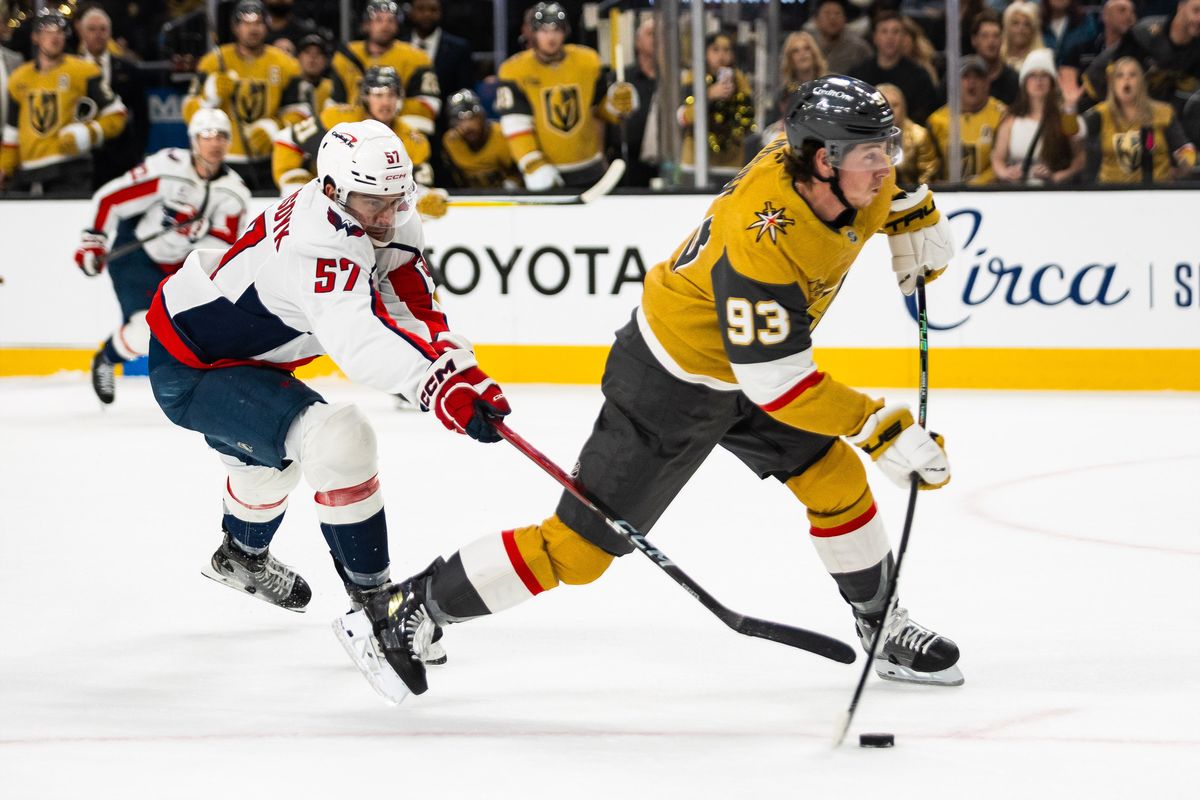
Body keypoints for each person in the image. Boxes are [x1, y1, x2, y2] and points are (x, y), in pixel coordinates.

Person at [389, 75, 964, 695]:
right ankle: (408, 609)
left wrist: (910, 214)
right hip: (669, 380)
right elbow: (779, 384)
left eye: (888, 149)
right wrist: (877, 427)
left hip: (752, 368)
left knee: (837, 479)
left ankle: (880, 627)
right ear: (823, 160)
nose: (885, 168)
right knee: (577, 554)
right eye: (871, 154)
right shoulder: (762, 242)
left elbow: (881, 201)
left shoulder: (845, 176)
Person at [145, 118, 511, 701]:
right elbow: (358, 338)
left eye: (397, 200)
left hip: (247, 358)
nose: (387, 218)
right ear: (334, 189)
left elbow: (412, 305)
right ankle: (376, 609)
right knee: (339, 439)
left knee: (269, 468)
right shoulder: (317, 241)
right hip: (191, 365)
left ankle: (240, 554)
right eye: (373, 202)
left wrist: (461, 370)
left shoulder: (379, 211)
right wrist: (435, 385)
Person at [75, 109, 250, 405]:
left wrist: (199, 230)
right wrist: (94, 241)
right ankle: (106, 358)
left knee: (196, 332)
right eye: (207, 136)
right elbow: (111, 199)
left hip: (182, 270)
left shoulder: (234, 193)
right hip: (138, 257)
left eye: (221, 136)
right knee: (147, 331)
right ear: (194, 140)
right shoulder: (167, 167)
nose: (214, 143)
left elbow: (225, 248)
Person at [496, 2, 637, 190]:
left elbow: (599, 109)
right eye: (544, 31)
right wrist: (532, 164)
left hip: (590, 167)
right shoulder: (514, 71)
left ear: (566, 31)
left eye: (556, 30)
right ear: (532, 33)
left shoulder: (587, 61)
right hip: (548, 172)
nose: (551, 37)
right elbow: (515, 126)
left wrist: (617, 103)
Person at [272, 66, 445, 219]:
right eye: (378, 95)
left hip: (373, 216)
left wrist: (424, 198)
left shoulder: (412, 139)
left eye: (391, 95)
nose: (385, 102)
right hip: (326, 204)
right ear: (365, 97)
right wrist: (292, 179)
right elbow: (287, 139)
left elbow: (413, 184)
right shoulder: (338, 118)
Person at [0, 9, 127, 194]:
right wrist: (5, 167)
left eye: (59, 32)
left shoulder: (84, 71)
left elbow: (117, 114)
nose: (55, 37)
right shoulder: (19, 78)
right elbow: (12, 133)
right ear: (35, 37)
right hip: (28, 172)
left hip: (71, 169)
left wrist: (89, 133)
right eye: (48, 32)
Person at [182, 0, 306, 190]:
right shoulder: (213, 61)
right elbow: (189, 114)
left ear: (268, 25)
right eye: (246, 23)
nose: (253, 29)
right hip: (222, 159)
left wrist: (273, 128)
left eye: (258, 23)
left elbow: (300, 114)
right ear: (235, 27)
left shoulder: (286, 64)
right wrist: (209, 97)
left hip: (268, 160)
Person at [330, 0, 441, 138]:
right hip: (354, 134)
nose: (385, 25)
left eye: (390, 20)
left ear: (397, 25)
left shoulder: (417, 57)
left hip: (399, 134)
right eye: (378, 19)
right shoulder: (345, 55)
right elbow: (336, 103)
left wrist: (389, 114)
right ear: (367, 24)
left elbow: (429, 105)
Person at [1082, 55, 1196, 182]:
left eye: (1132, 75)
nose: (1126, 79)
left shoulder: (1163, 112)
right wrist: (1069, 108)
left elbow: (1185, 148)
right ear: (1112, 83)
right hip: (1112, 193)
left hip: (1157, 191)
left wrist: (1185, 163)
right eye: (1120, 76)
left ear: (1141, 81)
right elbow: (1075, 134)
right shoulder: (1099, 114)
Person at [1082, 0, 1200, 117]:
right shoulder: (1144, 34)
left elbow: (1186, 95)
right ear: (1180, 7)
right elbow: (1116, 79)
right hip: (1096, 96)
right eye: (1196, 10)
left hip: (1142, 109)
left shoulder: (1195, 51)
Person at [75, 5, 148, 188]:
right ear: (81, 33)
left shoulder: (129, 69)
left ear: (110, 33)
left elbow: (142, 116)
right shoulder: (70, 70)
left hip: (121, 156)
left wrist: (136, 153)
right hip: (82, 156)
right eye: (91, 29)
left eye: (103, 29)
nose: (98, 34)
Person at [991, 49, 1085, 184]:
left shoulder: (1065, 118)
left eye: (1044, 76)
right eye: (1032, 76)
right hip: (1018, 192)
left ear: (1052, 83)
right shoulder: (1010, 120)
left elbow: (1079, 158)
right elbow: (998, 158)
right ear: (1024, 82)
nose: (1038, 81)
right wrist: (1006, 173)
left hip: (1053, 194)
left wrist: (1057, 177)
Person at [679, 32, 757, 182]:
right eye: (715, 50)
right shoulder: (693, 77)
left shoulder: (740, 79)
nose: (721, 56)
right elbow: (684, 117)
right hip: (696, 161)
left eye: (727, 50)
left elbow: (748, 120)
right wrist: (708, 95)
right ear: (705, 52)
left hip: (731, 162)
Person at [927, 55, 1007, 183]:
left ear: (987, 83)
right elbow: (930, 165)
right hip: (949, 196)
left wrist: (974, 185)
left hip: (991, 193)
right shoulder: (937, 121)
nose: (972, 82)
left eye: (978, 77)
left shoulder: (1002, 116)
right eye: (965, 76)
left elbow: (1004, 161)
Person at [849, 12, 937, 124]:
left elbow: (925, 114)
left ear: (903, 38)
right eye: (884, 31)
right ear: (875, 37)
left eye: (896, 32)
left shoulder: (920, 77)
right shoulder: (858, 75)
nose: (890, 37)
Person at [1060, 0, 1136, 111]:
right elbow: (1068, 85)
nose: (1129, 16)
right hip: (1087, 111)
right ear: (1105, 16)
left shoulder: (1139, 52)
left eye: (1132, 12)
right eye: (1122, 10)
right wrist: (1072, 99)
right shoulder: (1081, 50)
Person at [440, 88, 520, 189]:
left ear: (482, 116)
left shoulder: (502, 135)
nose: (467, 126)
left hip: (508, 198)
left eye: (472, 117)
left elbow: (520, 173)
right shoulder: (451, 142)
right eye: (460, 120)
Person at [405, 0, 475, 99]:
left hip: (446, 112)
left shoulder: (459, 49)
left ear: (441, 12)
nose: (427, 14)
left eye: (433, 10)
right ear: (411, 12)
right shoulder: (398, 44)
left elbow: (465, 92)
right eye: (421, 9)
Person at [879, 83, 941, 185]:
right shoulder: (864, 137)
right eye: (884, 106)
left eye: (895, 105)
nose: (890, 111)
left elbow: (929, 172)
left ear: (903, 107)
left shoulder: (919, 135)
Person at [810, 0, 873, 75]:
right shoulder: (808, 46)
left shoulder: (860, 48)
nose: (832, 18)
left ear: (845, 18)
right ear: (816, 20)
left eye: (837, 13)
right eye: (827, 13)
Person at [971, 9, 1021, 104]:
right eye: (985, 36)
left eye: (996, 35)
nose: (991, 41)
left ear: (1002, 39)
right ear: (974, 40)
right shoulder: (961, 79)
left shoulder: (1014, 81)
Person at [295, 33, 334, 118]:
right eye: (307, 52)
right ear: (299, 57)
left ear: (326, 60)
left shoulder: (333, 89)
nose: (313, 57)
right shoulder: (289, 88)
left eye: (318, 53)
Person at [1002, 1, 1047, 72]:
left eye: (1027, 24)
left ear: (1033, 30)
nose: (1021, 28)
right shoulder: (997, 58)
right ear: (1007, 28)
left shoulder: (1044, 59)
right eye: (1015, 23)